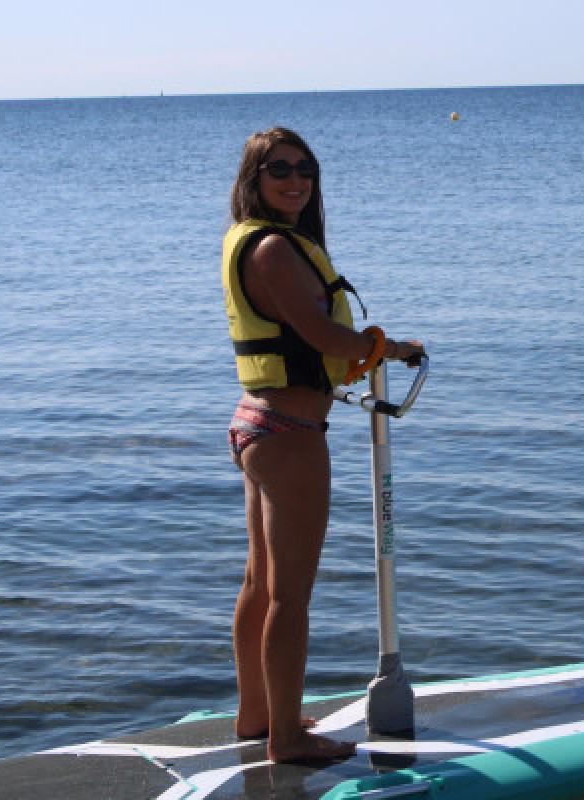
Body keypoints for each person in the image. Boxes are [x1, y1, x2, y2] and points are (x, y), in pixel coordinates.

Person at [222, 127, 425, 763]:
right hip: (287, 435)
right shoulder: (274, 250)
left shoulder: (261, 243)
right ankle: (286, 738)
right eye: (278, 169)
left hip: (258, 424)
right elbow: (320, 337)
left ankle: (256, 714)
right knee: (289, 594)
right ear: (253, 179)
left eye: (305, 169)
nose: (295, 179)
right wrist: (389, 349)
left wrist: (365, 351)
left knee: (260, 582)